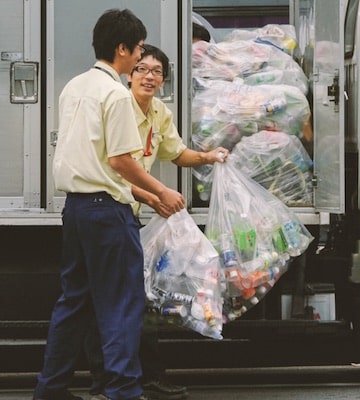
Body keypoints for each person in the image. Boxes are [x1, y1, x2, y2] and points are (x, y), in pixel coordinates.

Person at [34, 10, 185, 400]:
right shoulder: (116, 94)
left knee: (74, 303)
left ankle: (50, 390)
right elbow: (120, 161)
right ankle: (123, 391)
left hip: (77, 210)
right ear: (122, 49)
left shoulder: (74, 86)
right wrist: (162, 191)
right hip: (108, 212)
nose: (140, 58)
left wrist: (149, 195)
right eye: (137, 50)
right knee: (120, 306)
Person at [85, 44, 228, 400]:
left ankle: (142, 376)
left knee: (139, 299)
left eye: (157, 72)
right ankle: (107, 381)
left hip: (130, 214)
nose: (150, 77)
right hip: (110, 208)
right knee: (111, 301)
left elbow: (176, 153)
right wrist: (154, 196)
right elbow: (111, 169)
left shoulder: (159, 112)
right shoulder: (119, 106)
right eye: (143, 69)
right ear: (130, 73)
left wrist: (209, 156)